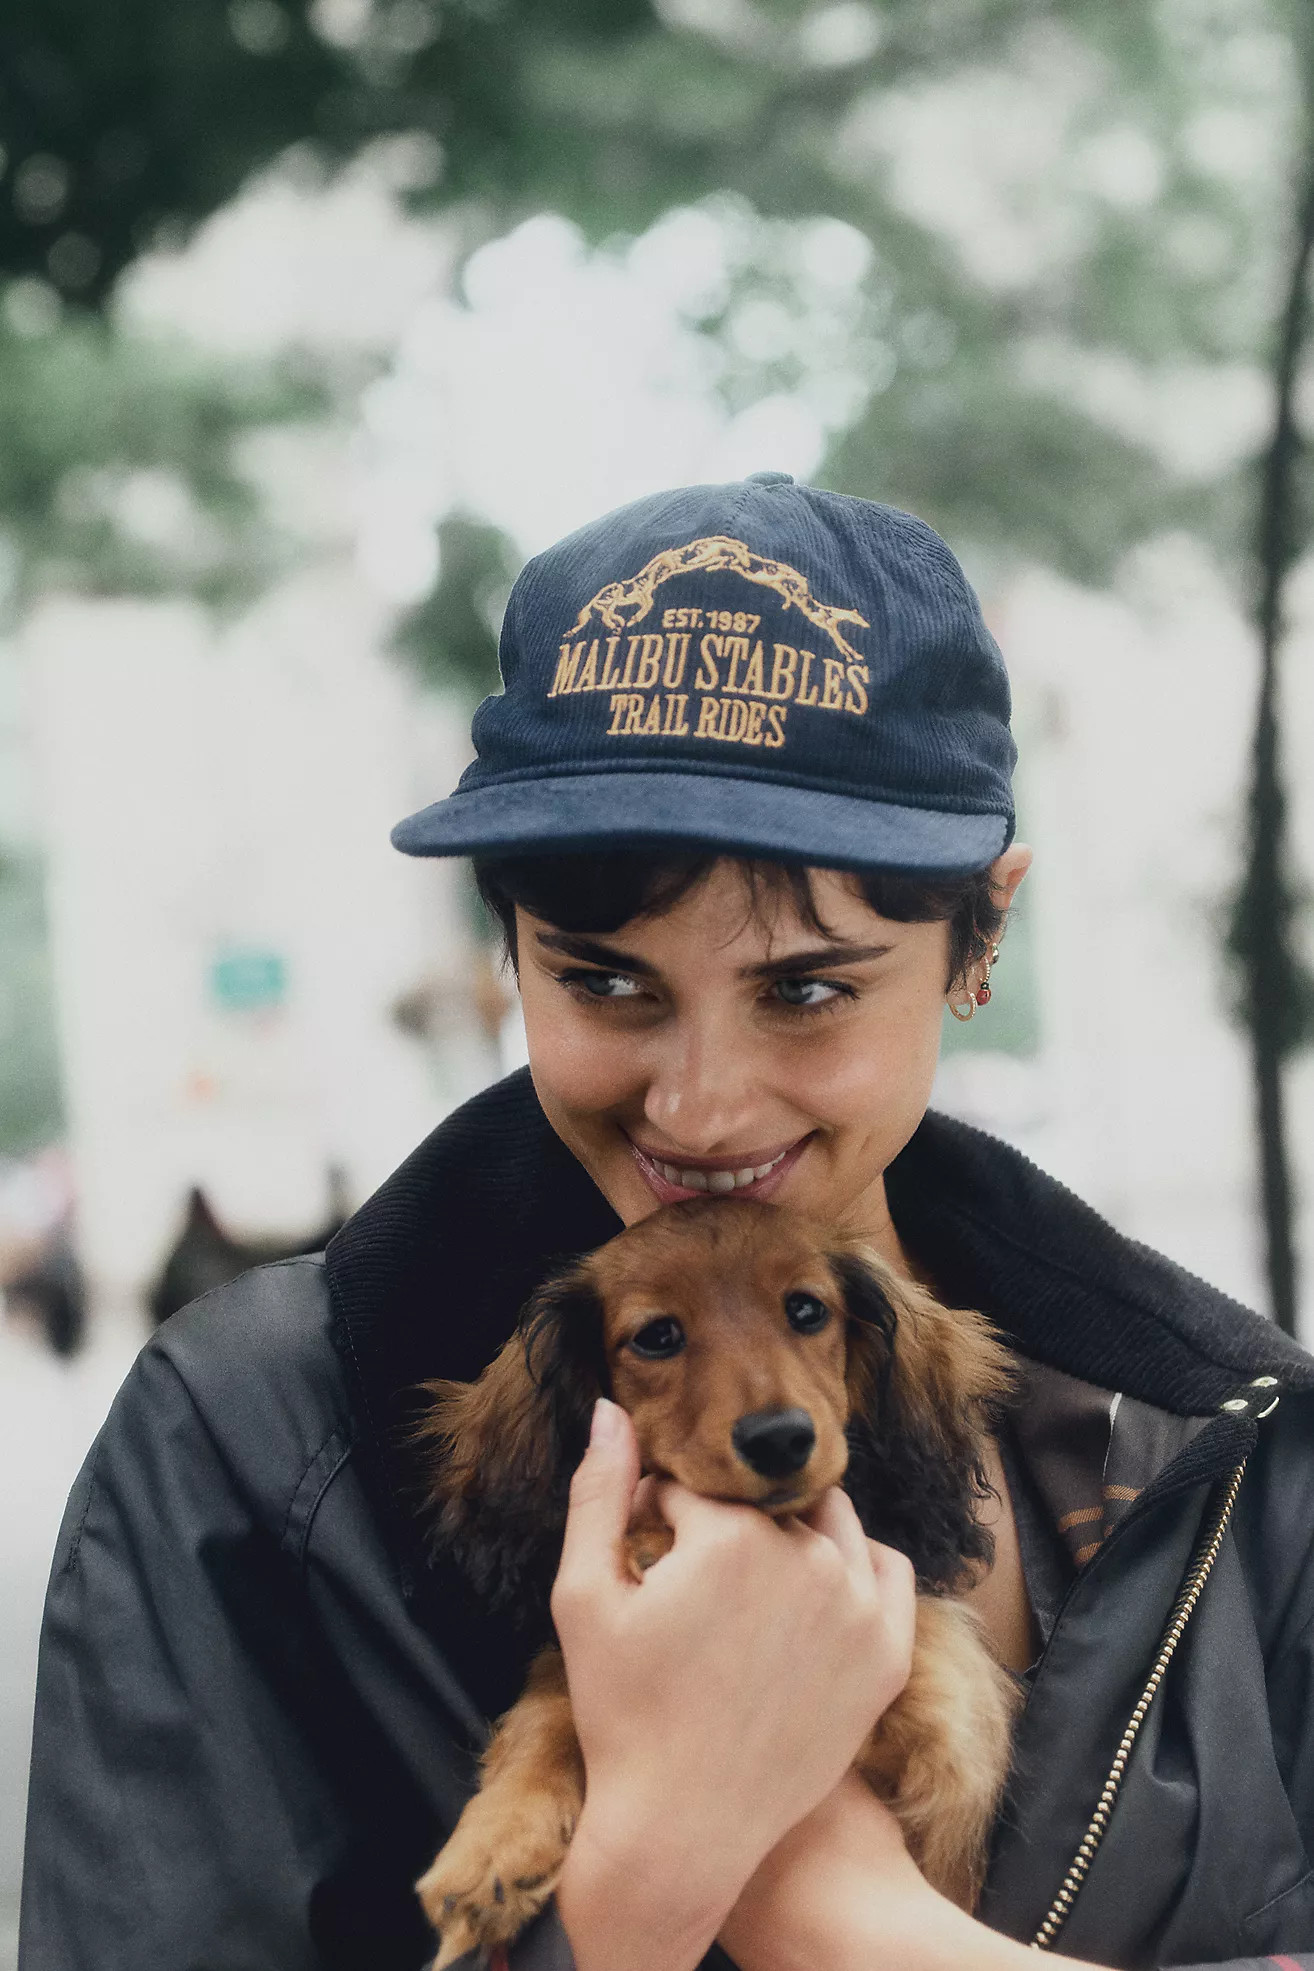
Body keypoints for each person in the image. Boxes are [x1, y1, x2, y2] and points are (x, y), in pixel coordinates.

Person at [18, 474, 1314, 1971]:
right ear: (510, 947)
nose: (699, 1110)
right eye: (606, 981)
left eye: (808, 988)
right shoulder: (245, 1445)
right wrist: (647, 1877)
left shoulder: (1235, 1446)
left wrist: (848, 1926)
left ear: (982, 935)